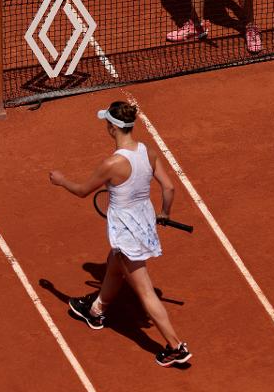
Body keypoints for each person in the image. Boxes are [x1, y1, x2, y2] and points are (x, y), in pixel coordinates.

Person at [49, 101, 192, 368]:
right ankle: (95, 311)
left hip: (128, 234)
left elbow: (81, 191)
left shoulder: (112, 164)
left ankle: (175, 347)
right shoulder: (148, 152)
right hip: (145, 223)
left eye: (107, 123)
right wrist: (165, 213)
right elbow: (169, 188)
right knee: (115, 267)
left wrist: (61, 180)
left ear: (113, 128)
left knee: (146, 293)